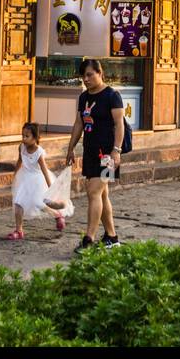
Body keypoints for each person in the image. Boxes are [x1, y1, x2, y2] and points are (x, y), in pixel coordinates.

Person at [65, 58, 125, 250]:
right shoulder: (83, 98)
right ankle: (112, 237)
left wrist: (116, 150)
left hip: (108, 153)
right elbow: (79, 124)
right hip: (90, 151)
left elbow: (119, 124)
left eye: (90, 74)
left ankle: (89, 239)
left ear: (100, 73)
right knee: (102, 193)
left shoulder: (112, 96)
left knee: (93, 192)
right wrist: (71, 147)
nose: (86, 79)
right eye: (83, 75)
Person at [8, 122, 69, 239]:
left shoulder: (38, 152)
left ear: (35, 138)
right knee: (18, 202)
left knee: (39, 204)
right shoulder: (21, 147)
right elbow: (19, 161)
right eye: (23, 135)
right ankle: (19, 230)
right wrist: (15, 175)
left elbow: (44, 170)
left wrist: (51, 188)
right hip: (24, 178)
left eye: (27, 136)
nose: (24, 139)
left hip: (37, 179)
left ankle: (57, 214)